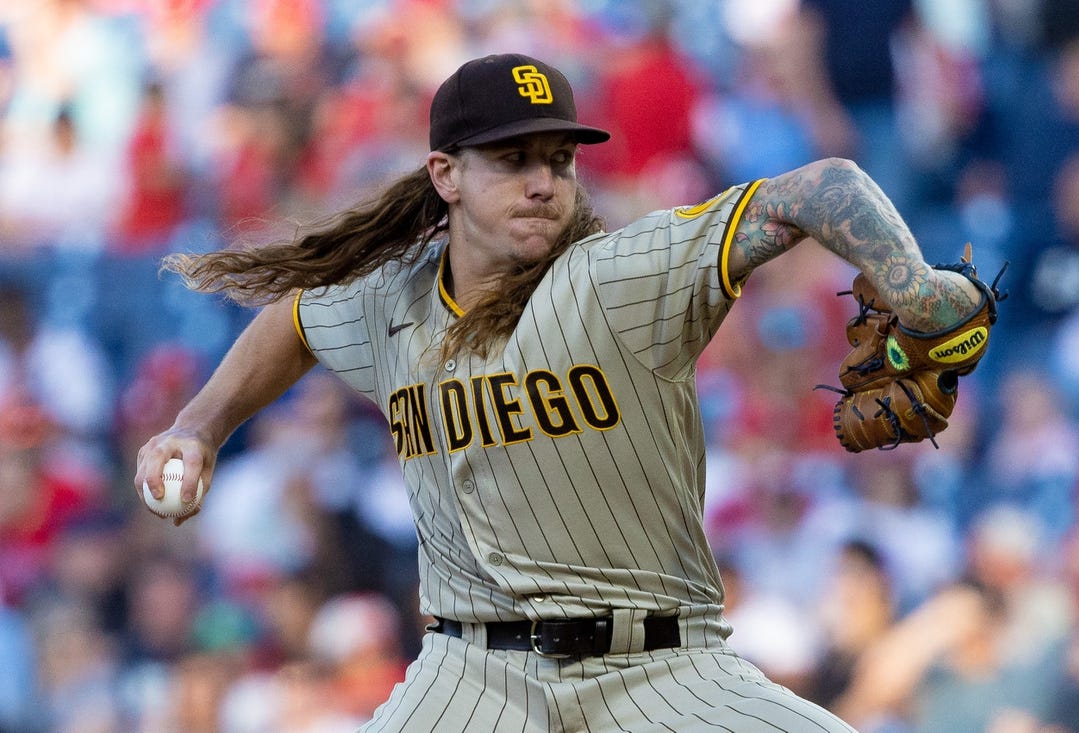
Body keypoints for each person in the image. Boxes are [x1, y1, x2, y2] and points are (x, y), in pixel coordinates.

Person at [135, 53, 984, 732]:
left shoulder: (620, 276)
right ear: (446, 173)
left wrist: (907, 282)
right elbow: (297, 317)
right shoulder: (391, 302)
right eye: (513, 159)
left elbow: (817, 187)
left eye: (559, 160)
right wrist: (199, 426)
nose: (544, 180)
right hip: (470, 679)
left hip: (660, 674)